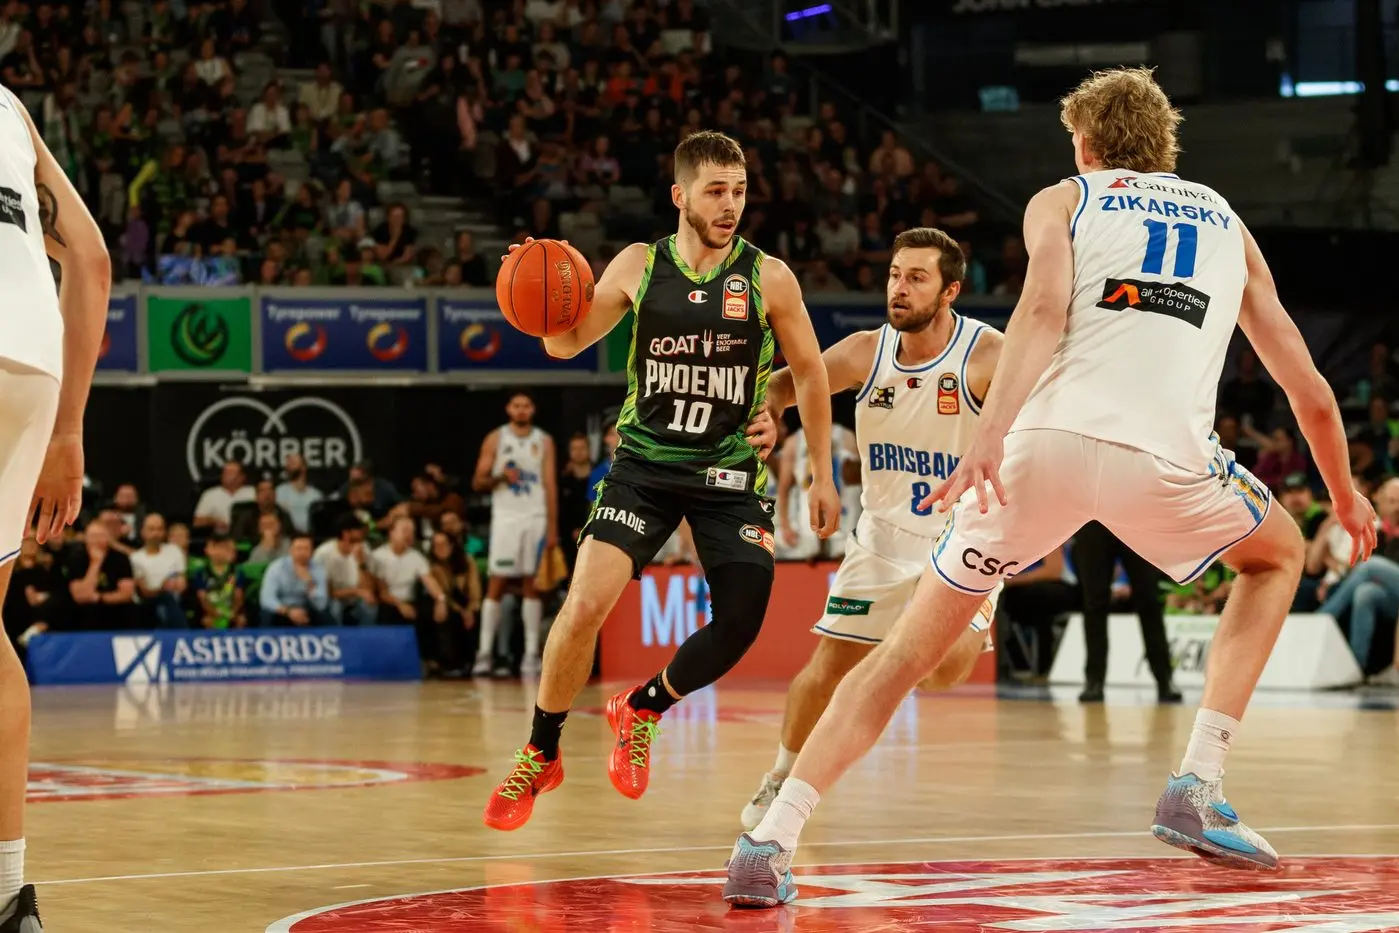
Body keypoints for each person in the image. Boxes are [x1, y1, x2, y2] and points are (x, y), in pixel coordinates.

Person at [724, 67, 1376, 907]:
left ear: (1085, 145)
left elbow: (1036, 315)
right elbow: (1306, 386)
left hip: (1041, 454)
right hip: (1165, 460)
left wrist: (986, 441)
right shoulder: (1225, 219)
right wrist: (1344, 494)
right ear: (1163, 143)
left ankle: (768, 840)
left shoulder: (1062, 199)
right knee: (1275, 555)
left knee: (900, 657)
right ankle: (1197, 780)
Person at [483, 130, 837, 832]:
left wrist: (820, 470)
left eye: (739, 191)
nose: (730, 204)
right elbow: (563, 342)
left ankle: (642, 707)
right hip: (645, 465)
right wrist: (535, 292)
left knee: (741, 622)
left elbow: (811, 372)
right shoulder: (639, 265)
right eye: (715, 191)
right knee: (584, 604)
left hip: (726, 470)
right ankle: (541, 750)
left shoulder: (768, 277)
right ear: (680, 195)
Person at [738, 227, 1003, 832]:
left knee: (943, 673)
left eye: (917, 278)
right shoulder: (865, 352)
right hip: (882, 539)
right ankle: (780, 776)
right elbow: (782, 385)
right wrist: (776, 423)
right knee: (826, 668)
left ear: (950, 291)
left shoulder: (988, 355)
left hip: (964, 536)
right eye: (894, 275)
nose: (899, 288)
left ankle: (937, 629)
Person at [0, 78, 112, 930]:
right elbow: (93, 258)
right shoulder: (10, 107)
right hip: (29, 366)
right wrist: (69, 430)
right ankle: (9, 896)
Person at [471, 392, 557, 677]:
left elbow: (550, 484)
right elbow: (477, 481)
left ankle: (530, 655)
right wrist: (500, 477)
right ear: (509, 409)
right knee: (496, 583)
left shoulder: (544, 441)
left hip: (535, 517)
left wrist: (553, 528)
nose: (521, 410)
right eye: (517, 405)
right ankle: (485, 653)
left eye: (526, 406)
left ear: (533, 409)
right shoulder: (496, 438)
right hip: (506, 518)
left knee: (532, 584)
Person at [1072, 520, 1181, 703]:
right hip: (1093, 519)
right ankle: (1094, 680)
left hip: (1133, 516)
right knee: (1094, 601)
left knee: (1148, 598)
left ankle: (1164, 678)